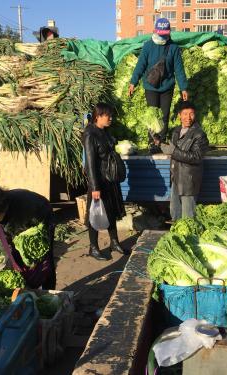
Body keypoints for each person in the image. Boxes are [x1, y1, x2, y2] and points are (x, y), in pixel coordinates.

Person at [128, 18, 188, 152]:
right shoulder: (148, 46)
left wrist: (184, 87)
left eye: (164, 34)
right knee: (152, 115)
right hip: (151, 87)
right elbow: (141, 65)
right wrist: (133, 82)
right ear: (155, 31)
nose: (162, 37)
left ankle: (160, 140)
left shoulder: (173, 48)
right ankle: (152, 142)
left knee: (164, 115)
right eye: (160, 34)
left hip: (167, 86)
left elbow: (179, 69)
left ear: (168, 33)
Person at [83, 103, 128, 260]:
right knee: (95, 213)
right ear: (98, 116)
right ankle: (93, 247)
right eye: (107, 115)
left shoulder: (105, 131)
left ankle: (114, 242)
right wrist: (94, 186)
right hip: (99, 180)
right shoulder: (90, 134)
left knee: (112, 210)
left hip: (110, 179)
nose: (111, 118)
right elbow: (89, 163)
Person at [160, 101, 209, 221]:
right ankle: (177, 236)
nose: (188, 117)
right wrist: (158, 142)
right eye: (185, 114)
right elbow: (172, 150)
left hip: (188, 180)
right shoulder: (176, 131)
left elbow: (196, 157)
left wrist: (173, 151)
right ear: (179, 115)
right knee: (175, 213)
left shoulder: (199, 135)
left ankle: (190, 238)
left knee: (188, 216)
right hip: (175, 177)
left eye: (191, 114)